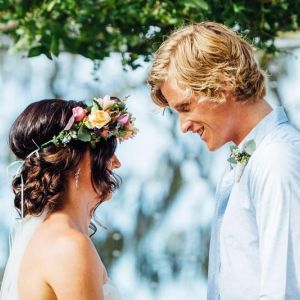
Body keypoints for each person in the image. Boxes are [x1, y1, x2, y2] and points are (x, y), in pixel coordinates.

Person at [148, 22, 300, 299]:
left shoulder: (276, 159)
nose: (183, 126)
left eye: (185, 107)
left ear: (222, 84)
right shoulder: (249, 159)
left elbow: (285, 289)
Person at [0, 96, 138, 300]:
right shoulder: (68, 245)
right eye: (105, 151)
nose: (116, 163)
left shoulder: (55, 238)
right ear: (74, 157)